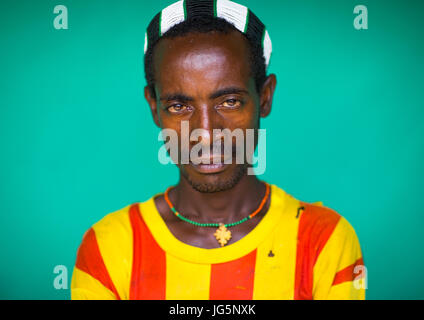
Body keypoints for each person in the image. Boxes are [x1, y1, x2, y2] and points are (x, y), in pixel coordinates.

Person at [71, 0, 366, 300]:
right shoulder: (108, 249)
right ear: (154, 108)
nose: (207, 134)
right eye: (179, 106)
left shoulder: (324, 240)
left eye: (229, 102)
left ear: (264, 97)